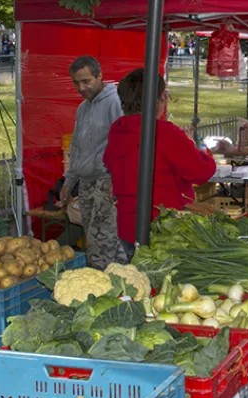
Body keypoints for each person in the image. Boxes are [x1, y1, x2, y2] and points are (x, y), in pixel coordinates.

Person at [104, 68, 217, 245]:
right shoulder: (164, 133)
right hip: (166, 227)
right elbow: (202, 171)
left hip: (127, 225)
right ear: (157, 101)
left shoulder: (117, 129)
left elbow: (110, 163)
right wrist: (197, 147)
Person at [60, 56, 127, 268]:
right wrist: (69, 182)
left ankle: (107, 284)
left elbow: (124, 145)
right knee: (93, 237)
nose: (81, 87)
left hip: (106, 181)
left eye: (86, 81)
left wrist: (118, 179)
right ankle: (112, 280)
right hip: (87, 183)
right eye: (76, 83)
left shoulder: (116, 102)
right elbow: (77, 148)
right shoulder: (82, 109)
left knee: (104, 239)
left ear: (100, 76)